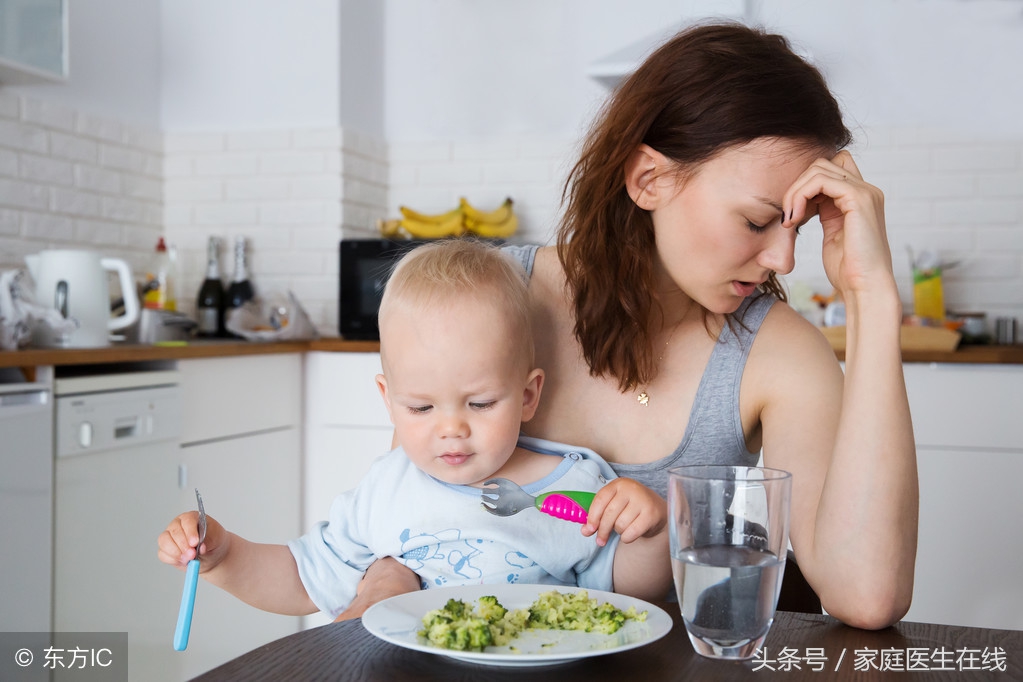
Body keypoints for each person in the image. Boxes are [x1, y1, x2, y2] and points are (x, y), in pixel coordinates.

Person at [342, 21, 918, 630]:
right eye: (756, 223)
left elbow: (867, 594)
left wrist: (872, 296)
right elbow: (406, 509)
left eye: (795, 227)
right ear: (649, 179)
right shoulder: (492, 302)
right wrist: (383, 579)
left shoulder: (779, 354)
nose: (783, 259)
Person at [157, 240, 671, 620]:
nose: (452, 429)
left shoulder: (575, 489)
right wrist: (224, 555)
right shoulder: (387, 488)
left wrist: (647, 533)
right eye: (421, 408)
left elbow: (626, 595)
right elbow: (303, 580)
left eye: (481, 403)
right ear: (388, 401)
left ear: (528, 395)